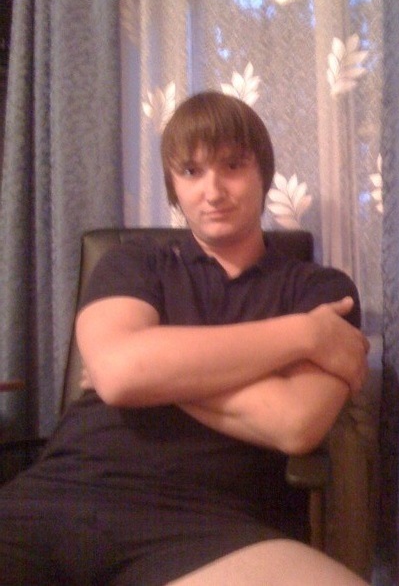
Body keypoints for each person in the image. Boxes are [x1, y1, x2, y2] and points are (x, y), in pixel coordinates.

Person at [0, 91, 370, 585]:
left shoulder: (321, 291)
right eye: (192, 171)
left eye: (233, 165)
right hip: (59, 495)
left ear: (263, 174)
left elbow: (295, 424)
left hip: (217, 524)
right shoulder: (134, 262)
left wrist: (154, 372)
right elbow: (121, 373)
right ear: (173, 186)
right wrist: (302, 334)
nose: (212, 191)